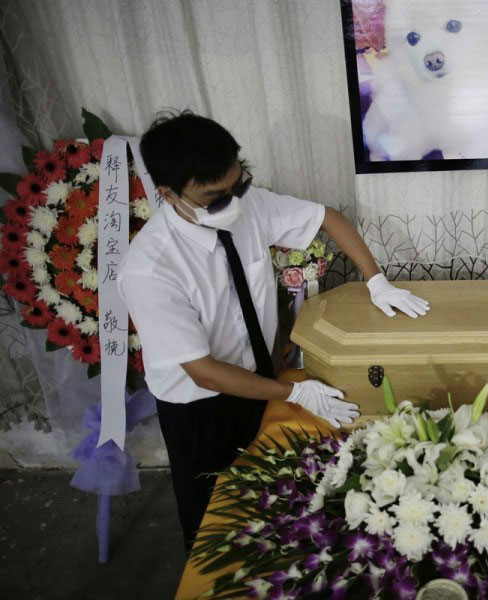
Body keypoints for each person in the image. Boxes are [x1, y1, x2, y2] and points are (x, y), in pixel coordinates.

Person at [118, 111, 430, 551]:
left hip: (266, 375)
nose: (234, 204)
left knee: (277, 499)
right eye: (214, 198)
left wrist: (376, 280)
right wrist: (295, 393)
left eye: (238, 186)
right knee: (216, 521)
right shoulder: (150, 269)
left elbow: (327, 218)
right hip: (201, 409)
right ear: (168, 194)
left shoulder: (248, 206)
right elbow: (203, 371)